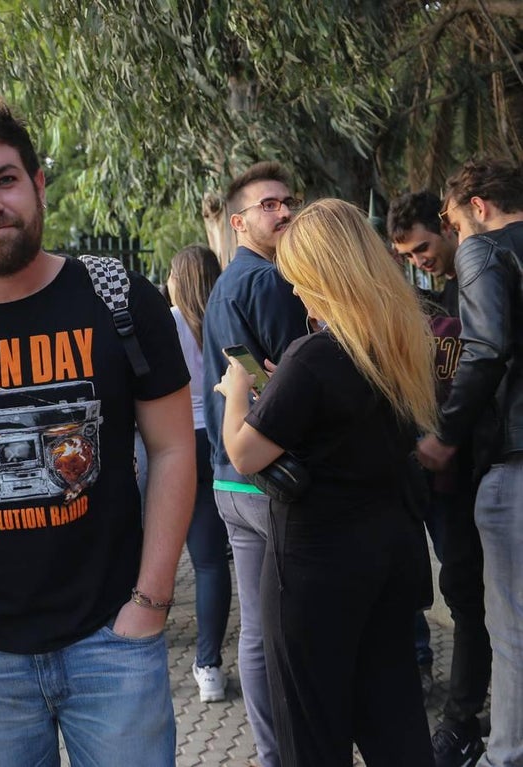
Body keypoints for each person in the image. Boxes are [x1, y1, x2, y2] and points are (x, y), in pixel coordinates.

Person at [0, 88, 195, 767]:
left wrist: (151, 601)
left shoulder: (118, 299)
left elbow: (174, 448)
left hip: (113, 640)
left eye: (5, 179)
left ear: (38, 184)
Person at [216, 198, 437, 766]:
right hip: (390, 554)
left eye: (298, 279)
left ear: (322, 276)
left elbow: (243, 453)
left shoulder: (314, 355)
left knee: (311, 733)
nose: (293, 292)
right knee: (395, 719)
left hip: (319, 569)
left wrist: (238, 391)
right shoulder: (398, 342)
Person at [201, 161, 310, 767]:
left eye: (288, 200)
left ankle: (275, 755)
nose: (285, 211)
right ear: (239, 221)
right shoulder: (268, 284)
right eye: (269, 204)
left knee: (258, 633)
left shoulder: (224, 285)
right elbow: (297, 382)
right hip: (270, 478)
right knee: (291, 626)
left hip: (230, 479)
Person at [417, 157, 523, 767]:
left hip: (510, 463)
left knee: (510, 633)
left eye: (455, 224)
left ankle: (505, 754)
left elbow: (484, 350)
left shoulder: (484, 253)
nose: (457, 239)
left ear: (477, 207)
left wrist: (446, 435)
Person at [389, 190, 491, 766]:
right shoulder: (440, 299)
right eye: (408, 255)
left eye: (425, 246)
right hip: (452, 480)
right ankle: (464, 717)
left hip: (478, 469)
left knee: (472, 598)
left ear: (450, 226)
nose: (419, 261)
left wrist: (447, 438)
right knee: (465, 595)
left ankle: (461, 721)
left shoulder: (478, 281)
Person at [166, 244, 232, 703]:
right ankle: (208, 665)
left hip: (175, 445)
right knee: (211, 563)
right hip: (223, 437)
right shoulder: (226, 313)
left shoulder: (165, 321)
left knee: (160, 553)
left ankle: (136, 647)